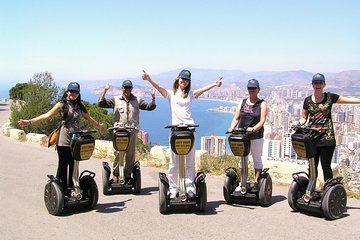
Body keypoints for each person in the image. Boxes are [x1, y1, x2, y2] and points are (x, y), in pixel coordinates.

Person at [142, 69, 222, 198]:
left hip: (189, 129)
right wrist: (149, 79)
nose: (183, 81)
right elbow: (159, 87)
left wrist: (214, 84)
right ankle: (174, 187)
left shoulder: (190, 94)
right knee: (174, 162)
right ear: (177, 79)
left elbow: (202, 90)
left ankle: (190, 186)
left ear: (188, 82)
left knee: (190, 161)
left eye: (186, 80)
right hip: (175, 131)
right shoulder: (170, 94)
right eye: (182, 78)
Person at [18, 82, 106, 191]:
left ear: (78, 94)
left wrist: (99, 126)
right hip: (63, 139)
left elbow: (89, 118)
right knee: (63, 164)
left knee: (73, 164)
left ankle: (73, 187)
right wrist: (29, 122)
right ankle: (61, 188)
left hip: (76, 140)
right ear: (67, 92)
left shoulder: (79, 106)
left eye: (75, 92)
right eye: (71, 91)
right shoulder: (62, 104)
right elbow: (47, 115)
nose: (73, 94)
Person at [297, 73, 360, 182]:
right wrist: (298, 125)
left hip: (327, 139)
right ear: (312, 84)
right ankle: (310, 190)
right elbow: (304, 117)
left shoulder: (329, 97)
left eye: (320, 82)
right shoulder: (307, 101)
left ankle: (327, 190)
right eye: (316, 83)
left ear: (324, 84)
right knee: (312, 167)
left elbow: (347, 100)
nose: (318, 85)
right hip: (312, 139)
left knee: (326, 166)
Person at [98, 80, 156, 184]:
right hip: (119, 131)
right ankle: (115, 175)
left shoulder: (137, 100)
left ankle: (127, 175)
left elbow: (149, 107)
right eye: (125, 87)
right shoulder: (115, 100)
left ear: (132, 89)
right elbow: (101, 104)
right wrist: (105, 91)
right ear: (122, 88)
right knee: (118, 153)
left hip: (132, 131)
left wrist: (153, 97)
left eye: (129, 88)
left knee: (130, 154)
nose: (127, 90)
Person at [227, 79, 267, 191]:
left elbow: (262, 121)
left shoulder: (262, 104)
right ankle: (242, 183)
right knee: (242, 159)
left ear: (258, 89)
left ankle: (256, 183)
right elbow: (236, 118)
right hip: (242, 136)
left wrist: (253, 129)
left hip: (256, 136)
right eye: (250, 88)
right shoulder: (242, 102)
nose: (252, 90)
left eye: (254, 88)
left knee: (256, 159)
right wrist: (232, 127)